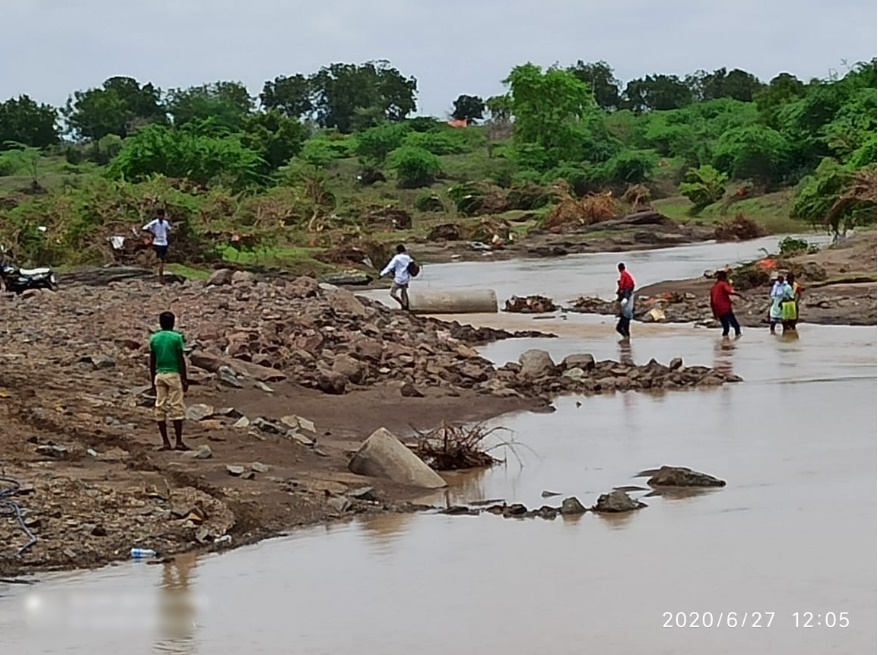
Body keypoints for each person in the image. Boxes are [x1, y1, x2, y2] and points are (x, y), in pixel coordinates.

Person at [149, 311, 189, 451]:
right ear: (173, 323)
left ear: (160, 323)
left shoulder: (154, 338)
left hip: (159, 374)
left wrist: (151, 378)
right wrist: (184, 377)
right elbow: (180, 358)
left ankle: (165, 441)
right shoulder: (177, 338)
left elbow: (152, 360)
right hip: (173, 374)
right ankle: (178, 441)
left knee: (160, 406)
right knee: (176, 405)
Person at [710, 270, 743, 338]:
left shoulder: (714, 287)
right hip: (725, 307)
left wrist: (714, 313)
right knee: (735, 325)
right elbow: (730, 291)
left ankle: (725, 340)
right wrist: (739, 294)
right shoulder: (723, 284)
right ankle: (737, 337)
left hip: (717, 308)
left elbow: (712, 301)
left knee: (725, 327)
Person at [380, 244, 414, 310]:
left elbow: (390, 267)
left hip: (398, 278)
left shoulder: (397, 258)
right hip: (406, 278)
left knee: (392, 293)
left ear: (398, 250)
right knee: (404, 293)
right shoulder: (408, 258)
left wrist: (382, 274)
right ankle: (406, 306)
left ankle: (401, 303)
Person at [142, 209, 172, 283]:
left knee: (162, 261)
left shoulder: (165, 223)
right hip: (157, 243)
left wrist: (166, 235)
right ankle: (156, 274)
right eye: (160, 215)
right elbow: (144, 228)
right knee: (157, 260)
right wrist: (152, 233)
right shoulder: (154, 222)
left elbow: (169, 229)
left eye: (162, 215)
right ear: (158, 216)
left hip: (164, 243)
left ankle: (161, 276)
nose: (161, 217)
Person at [615, 262, 636, 340]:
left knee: (619, 328)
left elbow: (623, 285)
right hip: (628, 315)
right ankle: (627, 344)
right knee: (626, 329)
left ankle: (625, 342)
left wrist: (620, 290)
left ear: (619, 269)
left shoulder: (623, 275)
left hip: (625, 315)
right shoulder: (627, 274)